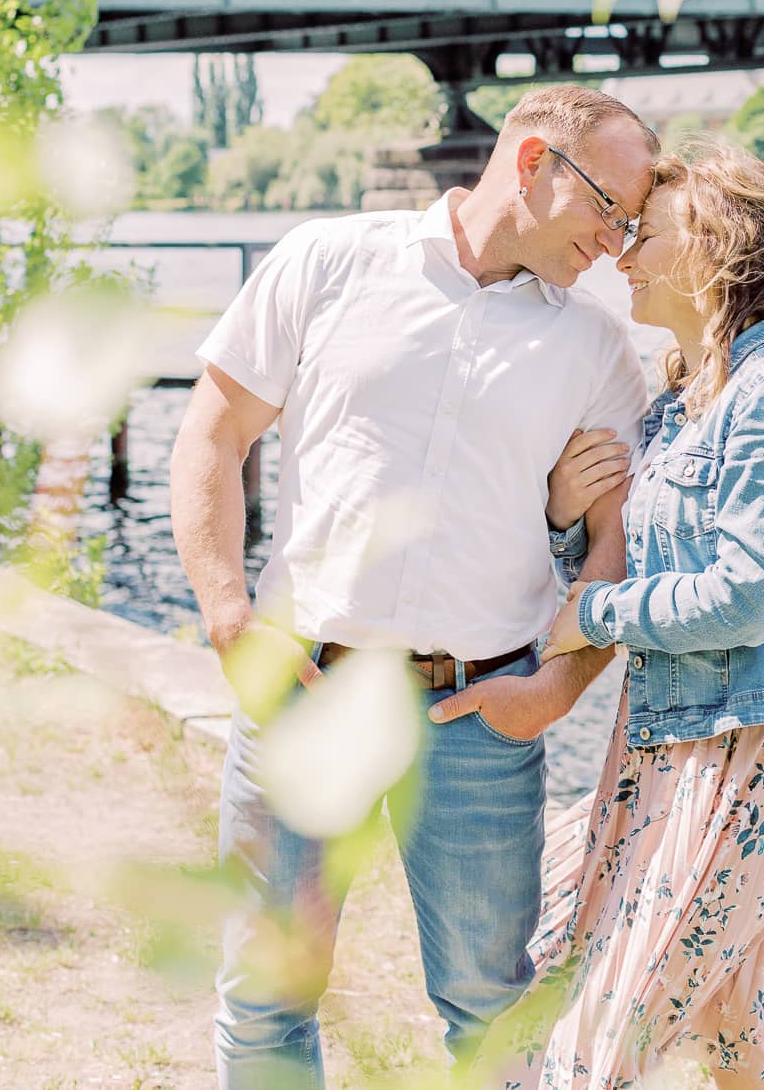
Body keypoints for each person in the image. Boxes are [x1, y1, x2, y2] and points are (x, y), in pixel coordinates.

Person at [169, 85, 659, 1089]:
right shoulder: (328, 260)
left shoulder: (597, 347)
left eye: (631, 222)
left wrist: (557, 691)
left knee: (490, 1013)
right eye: (607, 209)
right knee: (266, 993)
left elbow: (618, 548)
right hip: (304, 690)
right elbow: (213, 433)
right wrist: (228, 620)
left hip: (481, 714)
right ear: (531, 164)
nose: (615, 242)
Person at [508, 142, 764, 1088]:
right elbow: (621, 580)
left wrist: (601, 611)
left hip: (752, 748)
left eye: (645, 235)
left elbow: (745, 595)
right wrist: (566, 522)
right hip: (664, 745)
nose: (623, 254)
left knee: (595, 1027)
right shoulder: (672, 412)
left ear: (711, 248)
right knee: (731, 1028)